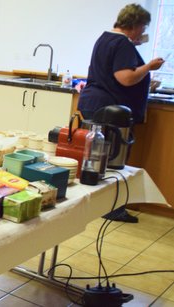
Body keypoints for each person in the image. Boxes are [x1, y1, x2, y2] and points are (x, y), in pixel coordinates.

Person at [77, 3, 164, 223]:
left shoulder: (105, 38)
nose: (143, 32)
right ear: (134, 24)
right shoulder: (122, 43)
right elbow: (125, 78)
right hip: (111, 109)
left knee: (94, 157)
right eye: (143, 27)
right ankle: (112, 207)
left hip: (93, 102)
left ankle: (93, 205)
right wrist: (149, 67)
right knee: (112, 160)